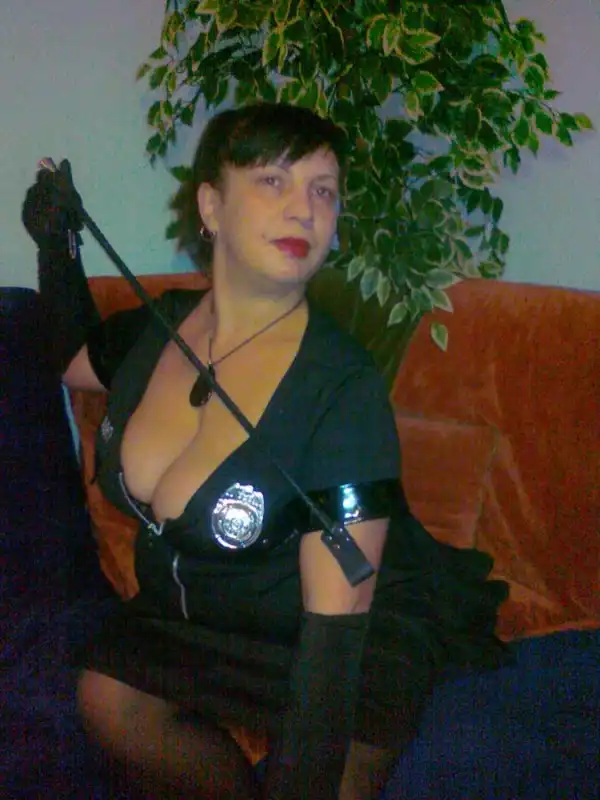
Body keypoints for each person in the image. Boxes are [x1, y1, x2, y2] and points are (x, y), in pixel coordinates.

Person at [22, 102, 509, 800]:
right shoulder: (160, 328)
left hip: (346, 633)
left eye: (324, 190)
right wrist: (56, 243)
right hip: (207, 616)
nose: (305, 209)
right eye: (274, 181)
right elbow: (75, 361)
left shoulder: (340, 388)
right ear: (211, 206)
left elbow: (335, 629)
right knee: (106, 697)